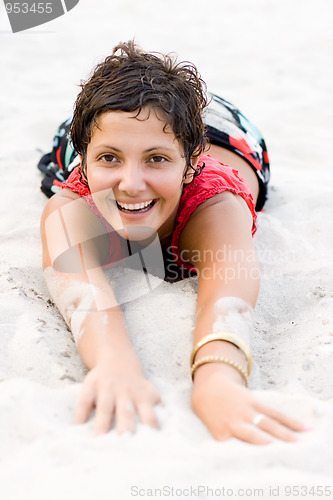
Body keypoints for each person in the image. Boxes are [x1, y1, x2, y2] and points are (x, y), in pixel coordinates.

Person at [39, 40, 308, 444]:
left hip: (229, 131)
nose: (131, 185)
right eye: (108, 159)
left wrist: (219, 380)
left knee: (144, 132)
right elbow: (81, 295)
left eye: (157, 160)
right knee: (119, 128)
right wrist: (114, 365)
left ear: (191, 162)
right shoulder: (72, 203)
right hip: (134, 125)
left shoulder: (216, 207)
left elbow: (228, 296)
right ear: (85, 158)